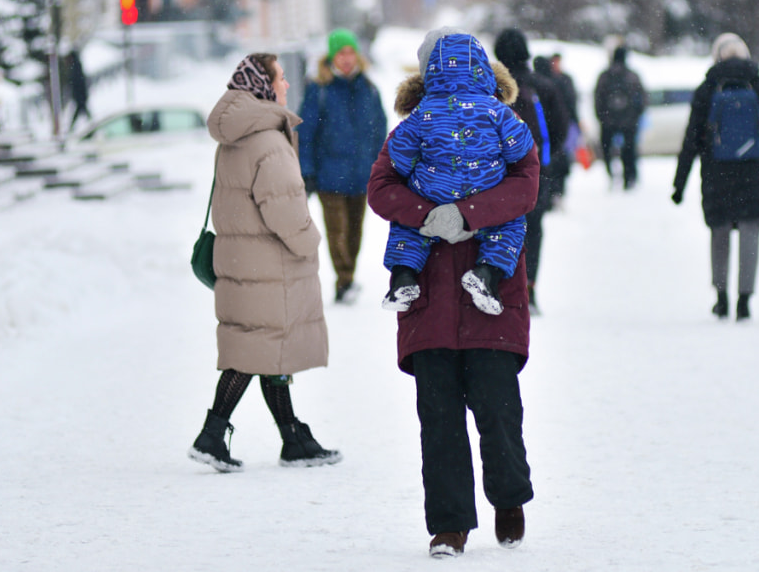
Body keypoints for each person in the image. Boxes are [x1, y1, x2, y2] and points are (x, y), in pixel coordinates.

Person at [367, 69, 540, 558]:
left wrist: (470, 214)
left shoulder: (501, 121)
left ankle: (508, 499)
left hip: (492, 292)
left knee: (498, 408)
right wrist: (427, 216)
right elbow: (380, 187)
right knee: (438, 417)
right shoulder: (414, 128)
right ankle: (449, 525)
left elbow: (526, 185)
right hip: (429, 293)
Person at [188, 53, 340, 472]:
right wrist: (310, 240)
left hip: (242, 260)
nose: (287, 86)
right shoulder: (269, 141)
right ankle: (212, 434)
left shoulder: (235, 136)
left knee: (266, 346)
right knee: (254, 351)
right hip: (270, 264)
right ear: (263, 84)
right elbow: (285, 209)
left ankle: (293, 437)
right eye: (281, 78)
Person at [382, 29, 534, 316]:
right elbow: (521, 147)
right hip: (485, 187)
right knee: (509, 226)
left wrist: (419, 195)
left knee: (407, 229)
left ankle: (403, 277)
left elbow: (399, 154)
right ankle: (487, 273)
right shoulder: (496, 109)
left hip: (433, 191)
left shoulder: (423, 110)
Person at [671, 33, 759, 322]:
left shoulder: (707, 89)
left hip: (717, 174)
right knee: (750, 232)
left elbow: (691, 139)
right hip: (757, 172)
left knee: (720, 232)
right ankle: (744, 300)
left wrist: (680, 183)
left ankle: (721, 298)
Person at [297, 29, 388, 305]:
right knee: (337, 231)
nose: (347, 59)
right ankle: (344, 281)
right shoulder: (319, 90)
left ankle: (348, 276)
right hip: (329, 176)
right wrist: (307, 172)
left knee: (355, 233)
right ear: (332, 57)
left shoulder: (369, 89)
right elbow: (305, 134)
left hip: (362, 175)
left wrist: (379, 165)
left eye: (350, 53)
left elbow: (380, 130)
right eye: (341, 53)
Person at [494, 28, 569, 315]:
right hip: (539, 174)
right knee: (533, 230)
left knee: (500, 230)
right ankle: (530, 287)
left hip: (498, 176)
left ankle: (502, 285)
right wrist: (545, 159)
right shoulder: (543, 87)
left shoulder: (493, 87)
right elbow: (561, 128)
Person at [593, 46, 647, 189]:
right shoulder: (632, 76)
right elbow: (641, 99)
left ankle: (611, 174)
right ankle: (629, 177)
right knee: (629, 150)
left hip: (608, 121)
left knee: (607, 149)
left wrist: (602, 118)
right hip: (628, 121)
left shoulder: (604, 76)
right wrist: (635, 116)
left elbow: (598, 99)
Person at [533, 54, 578, 206]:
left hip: (537, 135)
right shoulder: (559, 82)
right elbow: (568, 107)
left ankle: (547, 197)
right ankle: (557, 193)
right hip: (555, 133)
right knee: (559, 163)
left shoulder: (530, 85)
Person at [63, 48, 91, 130]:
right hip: (80, 96)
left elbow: (77, 84)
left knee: (80, 113)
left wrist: (78, 95)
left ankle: (71, 130)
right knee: (83, 113)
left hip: (80, 96)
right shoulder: (76, 67)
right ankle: (92, 128)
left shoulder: (75, 68)